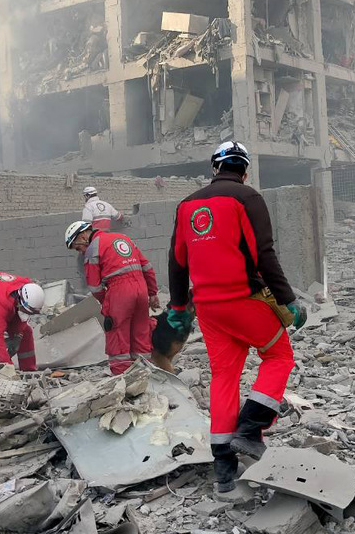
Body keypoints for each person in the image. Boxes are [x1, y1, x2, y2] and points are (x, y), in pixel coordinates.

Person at [166, 141, 307, 495]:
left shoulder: (187, 205)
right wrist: (288, 300)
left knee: (224, 378)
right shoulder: (248, 198)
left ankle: (224, 470)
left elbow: (177, 261)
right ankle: (250, 428)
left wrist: (179, 307)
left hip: (208, 309)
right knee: (279, 356)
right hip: (244, 301)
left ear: (215, 168)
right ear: (244, 171)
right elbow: (264, 254)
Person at [65, 220, 160, 375]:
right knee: (141, 333)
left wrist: (107, 302)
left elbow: (94, 286)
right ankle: (146, 375)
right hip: (141, 288)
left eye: (78, 248)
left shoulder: (93, 249)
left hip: (119, 291)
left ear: (82, 236)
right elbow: (147, 267)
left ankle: (122, 378)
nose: (81, 252)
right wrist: (152, 292)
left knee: (117, 336)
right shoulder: (123, 238)